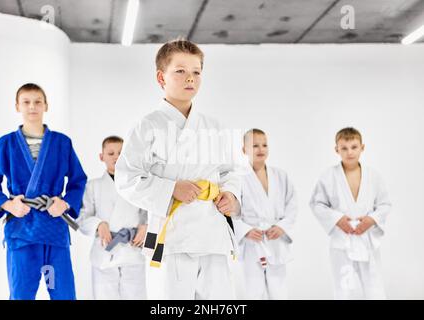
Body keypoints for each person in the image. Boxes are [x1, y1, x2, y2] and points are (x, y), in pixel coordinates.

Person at [114, 39, 241, 299]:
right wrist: (172, 189)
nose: (190, 78)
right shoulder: (147, 126)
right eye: (180, 71)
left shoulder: (214, 126)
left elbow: (232, 171)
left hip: (212, 235)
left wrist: (231, 195)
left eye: (196, 72)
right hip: (170, 237)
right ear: (161, 77)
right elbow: (126, 179)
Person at [0, 83, 87, 300]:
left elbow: (78, 180)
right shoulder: (5, 144)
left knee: (63, 293)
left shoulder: (61, 143)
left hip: (54, 231)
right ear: (17, 106)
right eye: (26, 102)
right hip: (21, 231)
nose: (32, 107)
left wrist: (64, 203)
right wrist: (9, 204)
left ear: (46, 105)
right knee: (21, 294)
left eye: (38, 101)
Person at [310, 127, 392, 299]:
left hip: (367, 239)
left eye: (354, 147)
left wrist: (371, 219)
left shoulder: (374, 176)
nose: (349, 152)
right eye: (344, 148)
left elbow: (384, 204)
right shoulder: (328, 176)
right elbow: (317, 204)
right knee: (343, 286)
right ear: (336, 149)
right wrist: (338, 219)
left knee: (374, 285)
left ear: (362, 147)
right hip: (342, 240)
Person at [78, 135, 147, 299]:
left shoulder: (138, 184)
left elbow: (148, 213)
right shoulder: (92, 186)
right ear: (101, 157)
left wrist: (145, 227)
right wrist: (99, 224)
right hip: (105, 252)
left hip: (133, 250)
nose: (116, 157)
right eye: (111, 153)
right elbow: (82, 218)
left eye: (120, 153)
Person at [234, 128, 298, 299]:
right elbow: (231, 213)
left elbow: (292, 204)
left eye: (264, 145)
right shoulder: (237, 177)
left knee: (279, 290)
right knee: (254, 290)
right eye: (255, 145)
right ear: (244, 150)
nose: (261, 149)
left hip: (274, 239)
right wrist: (245, 230)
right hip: (252, 242)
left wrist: (281, 227)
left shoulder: (280, 175)